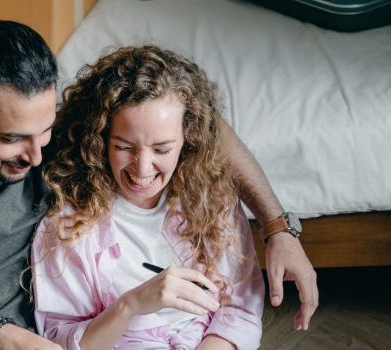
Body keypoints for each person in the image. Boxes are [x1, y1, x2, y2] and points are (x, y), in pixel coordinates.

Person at [0, 0, 317, 349]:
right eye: (11, 139)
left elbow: (191, 116)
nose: (35, 157)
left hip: (36, 342)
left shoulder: (53, 141)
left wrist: (276, 227)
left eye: (46, 131)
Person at [32, 45, 264, 350]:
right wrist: (132, 304)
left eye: (162, 149)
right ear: (100, 138)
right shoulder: (67, 226)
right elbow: (58, 341)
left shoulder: (213, 199)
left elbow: (240, 308)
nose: (142, 169)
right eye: (124, 147)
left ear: (188, 139)